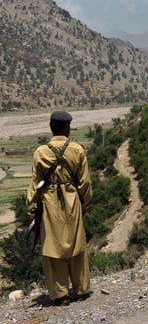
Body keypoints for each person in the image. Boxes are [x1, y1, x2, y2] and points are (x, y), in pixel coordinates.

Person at [27, 111, 93, 306]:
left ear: (51, 127)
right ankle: (81, 289)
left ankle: (60, 294)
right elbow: (85, 183)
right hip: (73, 201)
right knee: (77, 245)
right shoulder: (77, 150)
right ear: (67, 127)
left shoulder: (40, 152)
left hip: (49, 204)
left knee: (53, 248)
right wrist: (84, 204)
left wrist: (32, 207)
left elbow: (35, 184)